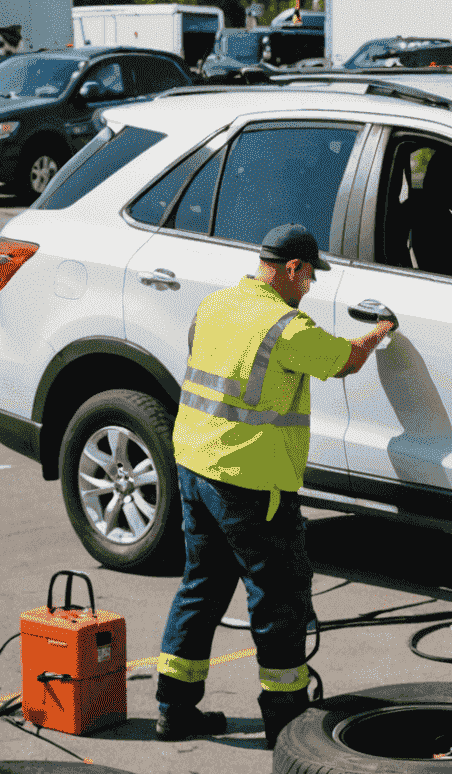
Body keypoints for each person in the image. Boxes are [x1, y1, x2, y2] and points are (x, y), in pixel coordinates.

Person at [155, 223, 397, 746]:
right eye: (308, 278)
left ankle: (174, 709)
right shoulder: (286, 328)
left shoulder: (214, 306)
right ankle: (285, 720)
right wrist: (380, 331)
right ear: (293, 269)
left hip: (196, 468)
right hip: (251, 485)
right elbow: (347, 359)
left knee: (202, 586)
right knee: (277, 598)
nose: (309, 288)